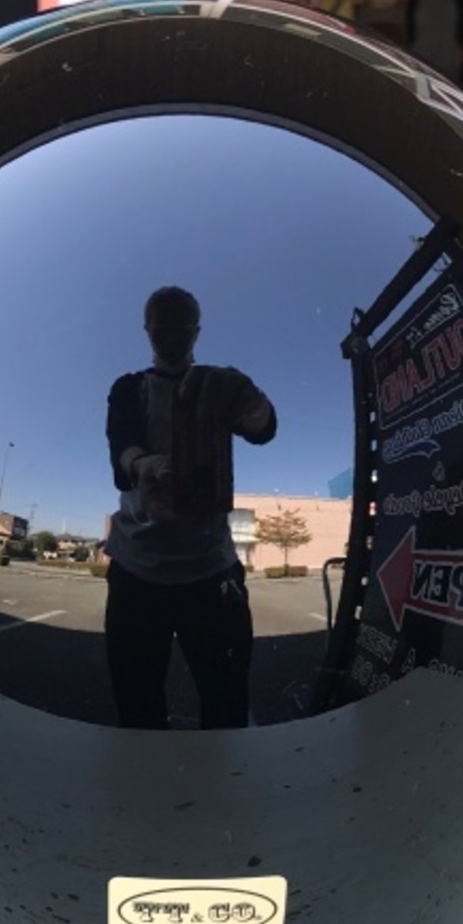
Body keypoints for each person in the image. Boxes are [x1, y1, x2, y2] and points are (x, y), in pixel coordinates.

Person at [104, 286, 276, 729]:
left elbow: (262, 430)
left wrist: (255, 402)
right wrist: (143, 465)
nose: (170, 336)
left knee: (226, 700)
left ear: (196, 331)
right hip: (138, 566)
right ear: (147, 330)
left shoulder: (213, 385)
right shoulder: (130, 387)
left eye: (181, 327)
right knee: (137, 705)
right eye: (161, 327)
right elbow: (121, 449)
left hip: (211, 567)